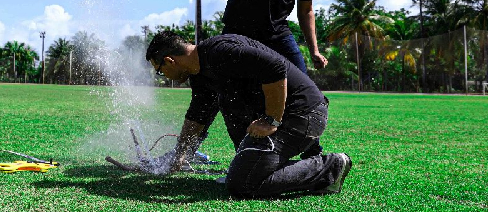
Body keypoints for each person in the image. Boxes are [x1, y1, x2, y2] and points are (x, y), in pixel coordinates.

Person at [146, 31, 352, 198]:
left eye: (159, 70)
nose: (163, 75)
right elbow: (197, 115)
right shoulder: (200, 73)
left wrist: (272, 119)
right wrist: (181, 152)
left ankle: (330, 167)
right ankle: (249, 164)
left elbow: (275, 67)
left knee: (243, 184)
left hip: (304, 114)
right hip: (293, 117)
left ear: (170, 61)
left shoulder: (221, 51)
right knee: (226, 102)